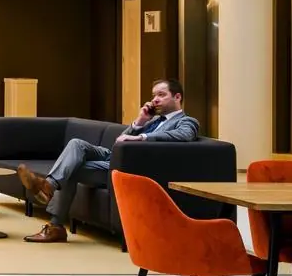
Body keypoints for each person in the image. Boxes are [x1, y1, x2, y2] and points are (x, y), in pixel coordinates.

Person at [17, 78, 199, 242]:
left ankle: (54, 219)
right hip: (112, 155)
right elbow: (120, 139)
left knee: (69, 170)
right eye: (154, 95)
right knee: (76, 144)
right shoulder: (152, 120)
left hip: (125, 166)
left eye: (161, 95)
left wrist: (142, 137)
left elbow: (183, 135)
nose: (155, 100)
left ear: (177, 97)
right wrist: (140, 121)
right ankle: (48, 186)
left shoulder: (187, 121)